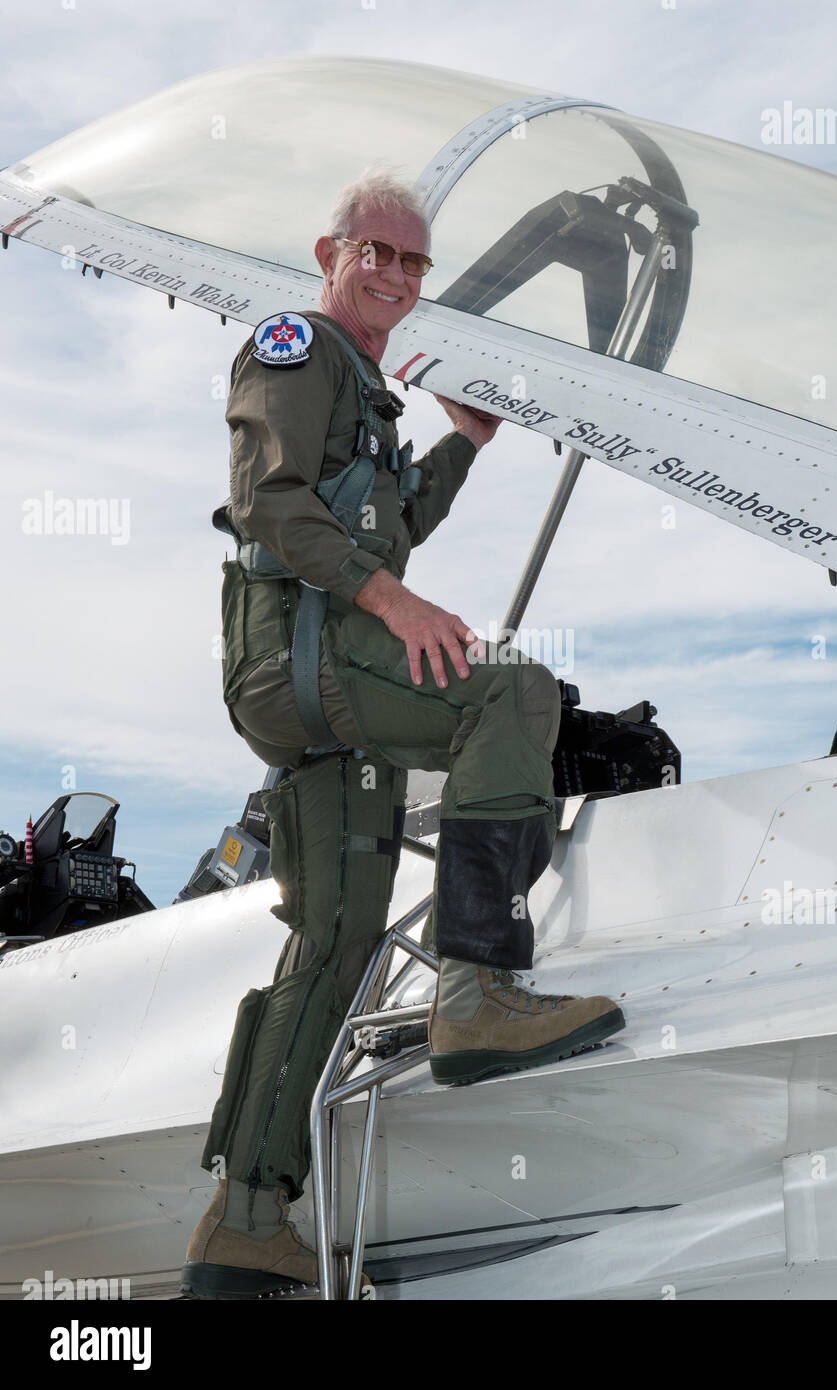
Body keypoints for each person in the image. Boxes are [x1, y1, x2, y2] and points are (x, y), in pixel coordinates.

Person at [181, 170, 624, 1299]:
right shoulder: (295, 346)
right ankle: (476, 990)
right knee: (510, 694)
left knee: (334, 938)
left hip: (315, 683)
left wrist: (461, 445)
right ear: (328, 251)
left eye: (411, 261)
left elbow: (392, 522)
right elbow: (273, 503)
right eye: (373, 251)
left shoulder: (368, 397)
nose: (392, 272)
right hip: (301, 653)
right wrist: (391, 602)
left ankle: (245, 1218)